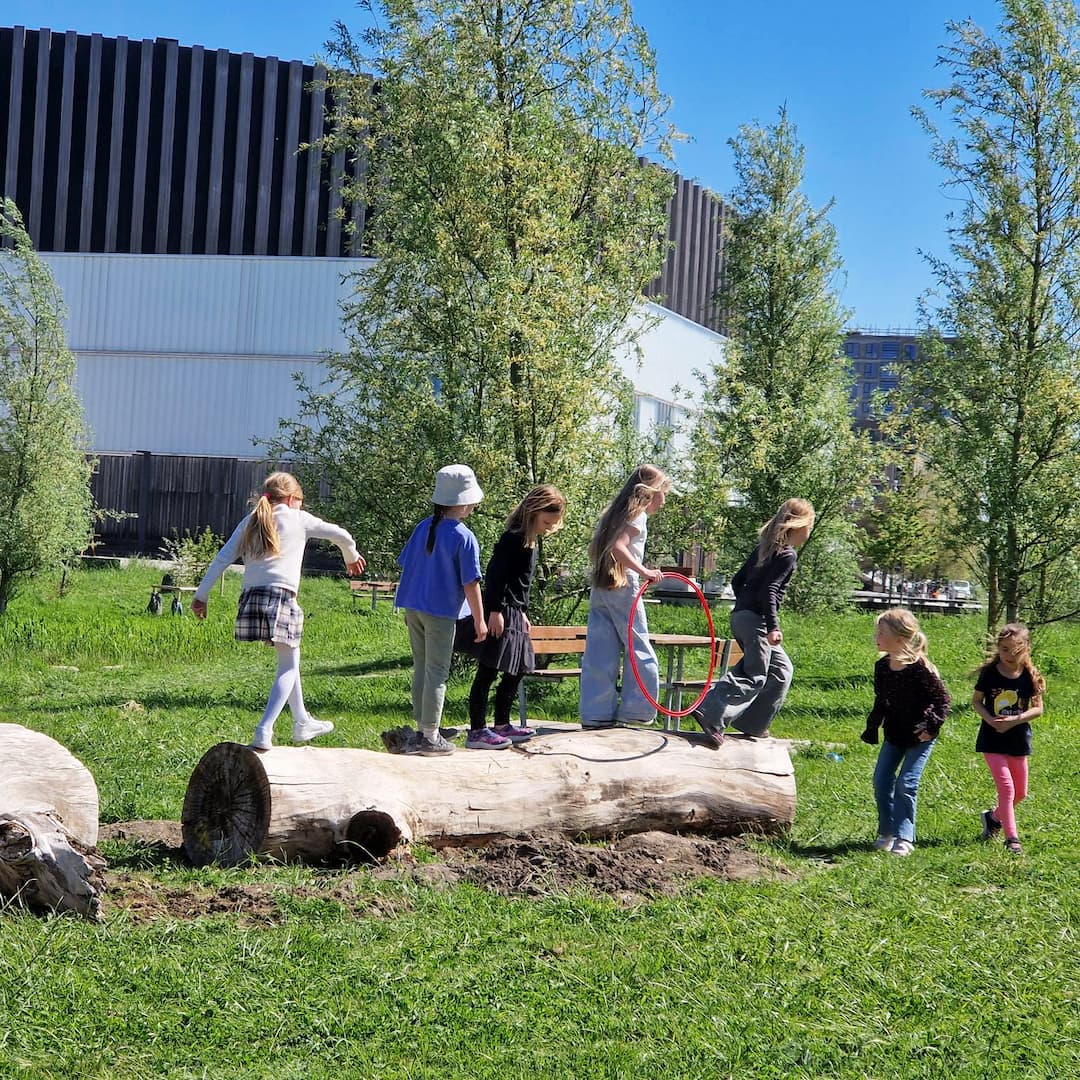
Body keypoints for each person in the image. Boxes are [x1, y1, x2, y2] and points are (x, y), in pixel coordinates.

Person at [192, 471, 364, 750]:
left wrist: (201, 596)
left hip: (251, 598)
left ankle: (301, 721)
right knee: (288, 665)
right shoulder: (299, 518)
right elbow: (340, 534)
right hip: (281, 598)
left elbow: (223, 557)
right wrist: (351, 556)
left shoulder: (252, 520)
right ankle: (264, 729)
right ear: (294, 499)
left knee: (289, 658)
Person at [694, 498, 815, 745]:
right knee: (754, 673)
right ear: (797, 526)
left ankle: (754, 724)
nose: (809, 533)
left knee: (782, 670)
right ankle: (711, 712)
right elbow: (770, 591)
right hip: (757, 621)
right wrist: (772, 626)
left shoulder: (765, 549)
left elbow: (738, 581)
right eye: (808, 526)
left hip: (741, 616)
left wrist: (744, 607)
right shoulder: (787, 555)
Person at [457, 484, 567, 750]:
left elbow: (523, 582)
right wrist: (494, 610)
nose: (548, 528)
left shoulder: (529, 540)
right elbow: (496, 575)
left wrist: (523, 612)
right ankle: (477, 729)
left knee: (519, 667)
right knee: (489, 669)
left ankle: (502, 723)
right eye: (546, 522)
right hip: (502, 611)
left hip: (516, 613)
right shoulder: (513, 538)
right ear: (534, 511)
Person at [396, 464, 487, 756]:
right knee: (438, 672)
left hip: (413, 606)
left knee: (422, 667)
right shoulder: (464, 536)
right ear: (464, 502)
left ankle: (423, 727)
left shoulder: (424, 526)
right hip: (440, 612)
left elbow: (407, 563)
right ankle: (430, 736)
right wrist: (480, 620)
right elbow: (471, 583)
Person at [578, 464, 672, 729]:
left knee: (600, 649)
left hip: (603, 584)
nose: (664, 501)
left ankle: (596, 712)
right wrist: (645, 571)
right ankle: (637, 710)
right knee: (639, 647)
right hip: (623, 585)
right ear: (652, 492)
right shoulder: (637, 515)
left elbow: (601, 546)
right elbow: (619, 547)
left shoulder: (613, 514)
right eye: (664, 493)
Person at [860, 608, 951, 856]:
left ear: (899, 637)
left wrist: (931, 725)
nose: (876, 636)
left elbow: (942, 699)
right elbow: (882, 700)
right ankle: (886, 832)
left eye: (881, 632)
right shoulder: (882, 666)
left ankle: (904, 837)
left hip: (920, 736)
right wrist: (872, 727)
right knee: (881, 781)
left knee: (906, 784)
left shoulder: (920, 668)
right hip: (894, 734)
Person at [972, 623, 1044, 854]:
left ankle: (993, 818)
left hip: (1018, 739)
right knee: (1007, 788)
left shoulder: (1030, 676)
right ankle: (1012, 838)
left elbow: (1038, 709)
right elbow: (976, 701)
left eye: (1014, 651)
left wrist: (1016, 720)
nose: (1008, 655)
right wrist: (990, 720)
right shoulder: (990, 674)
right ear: (998, 648)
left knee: (1021, 793)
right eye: (1004, 649)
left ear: (1026, 649)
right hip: (992, 740)